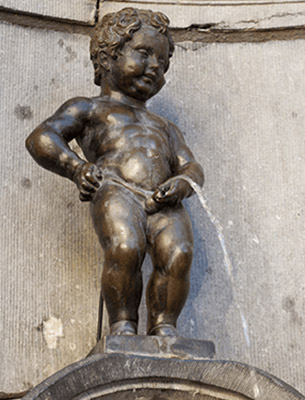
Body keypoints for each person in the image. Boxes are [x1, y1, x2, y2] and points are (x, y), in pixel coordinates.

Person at [25, 8, 204, 337]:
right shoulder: (89, 108)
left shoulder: (166, 127)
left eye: (162, 64)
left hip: (165, 200)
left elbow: (191, 166)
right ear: (109, 56)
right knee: (125, 247)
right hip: (116, 188)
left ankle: (165, 327)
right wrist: (77, 169)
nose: (154, 67)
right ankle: (123, 325)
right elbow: (42, 138)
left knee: (179, 253)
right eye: (144, 53)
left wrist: (183, 182)